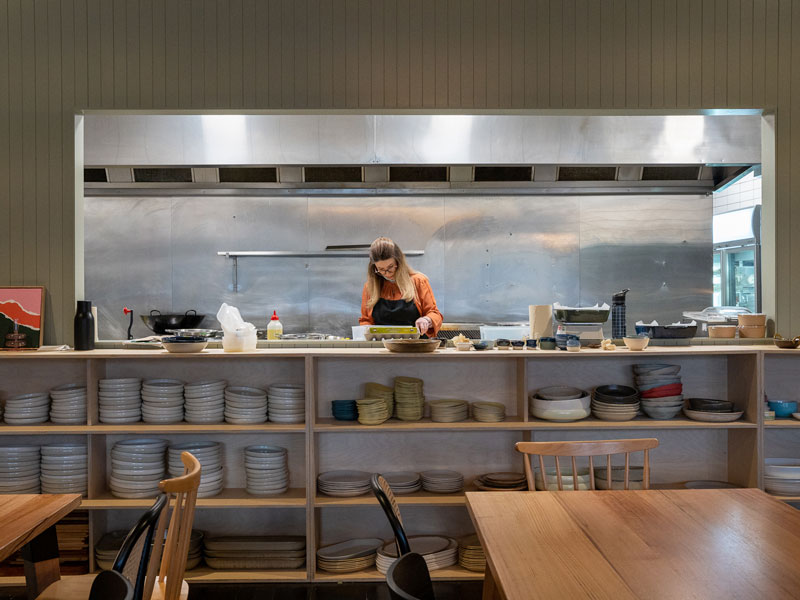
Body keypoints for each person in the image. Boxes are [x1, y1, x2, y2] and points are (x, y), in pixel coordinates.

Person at [359, 237, 443, 337]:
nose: (387, 273)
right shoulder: (370, 287)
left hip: (415, 344)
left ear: (399, 262)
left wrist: (426, 320)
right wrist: (366, 332)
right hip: (382, 345)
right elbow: (366, 320)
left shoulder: (418, 281)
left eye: (390, 267)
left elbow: (435, 314)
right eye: (381, 269)